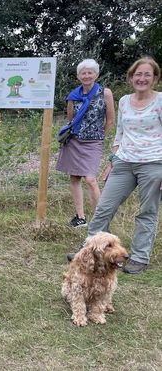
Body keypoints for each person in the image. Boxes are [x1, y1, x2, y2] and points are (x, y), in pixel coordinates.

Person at [76, 57, 161, 274]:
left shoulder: (160, 101)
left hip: (153, 162)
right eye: (137, 74)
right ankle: (89, 249)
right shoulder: (124, 101)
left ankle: (140, 257)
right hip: (124, 161)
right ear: (131, 77)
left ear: (155, 78)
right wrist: (112, 161)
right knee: (104, 207)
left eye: (147, 75)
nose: (141, 79)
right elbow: (120, 133)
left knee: (147, 211)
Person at [56, 59, 115, 228]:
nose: (87, 75)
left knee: (90, 179)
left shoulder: (106, 93)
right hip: (74, 141)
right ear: (78, 76)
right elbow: (70, 120)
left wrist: (100, 136)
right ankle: (80, 217)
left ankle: (99, 221)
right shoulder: (73, 96)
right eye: (83, 73)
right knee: (74, 178)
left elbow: (110, 120)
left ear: (96, 75)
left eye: (90, 72)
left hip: (94, 142)